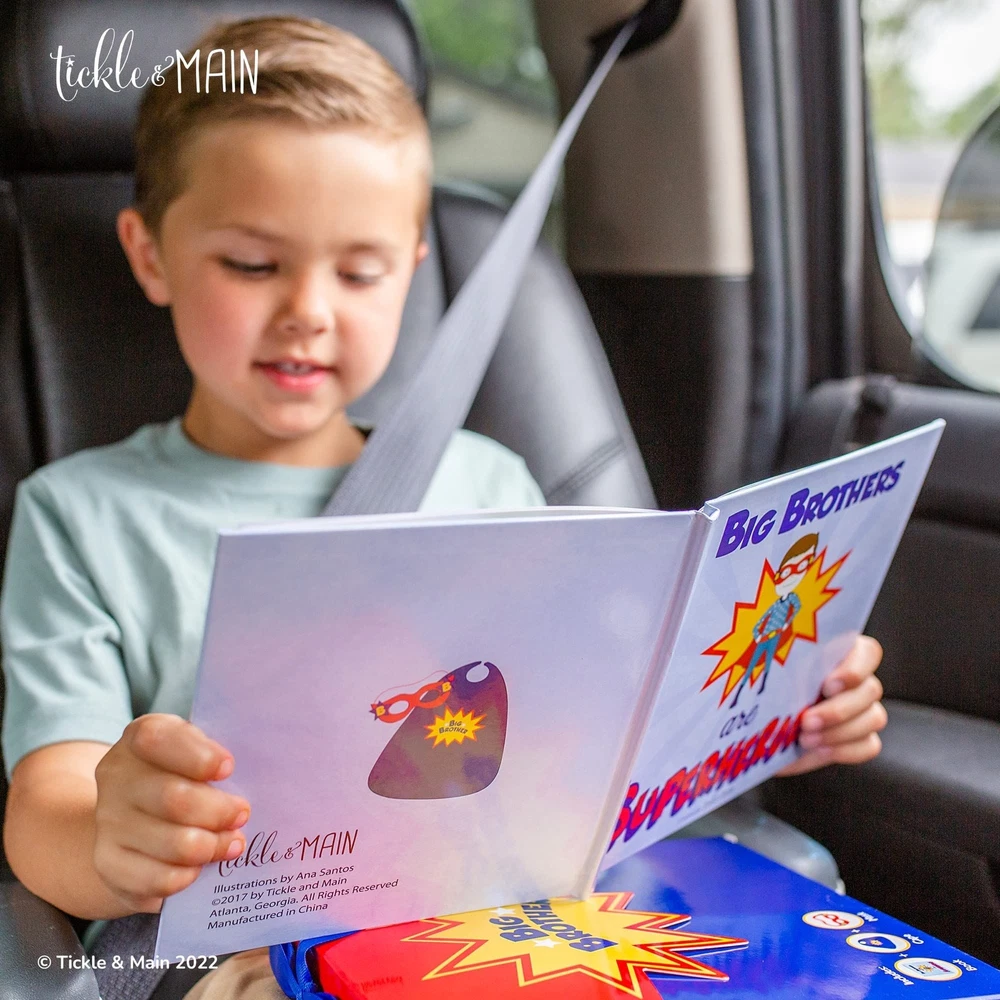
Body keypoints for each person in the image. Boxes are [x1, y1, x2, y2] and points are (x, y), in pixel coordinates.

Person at [0, 15, 887, 998]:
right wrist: (114, 836)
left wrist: (762, 710)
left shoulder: (489, 484)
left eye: (359, 271)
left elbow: (592, 734)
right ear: (150, 253)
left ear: (413, 267)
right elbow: (45, 805)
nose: (309, 310)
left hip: (509, 917)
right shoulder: (81, 516)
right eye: (252, 265)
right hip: (265, 950)